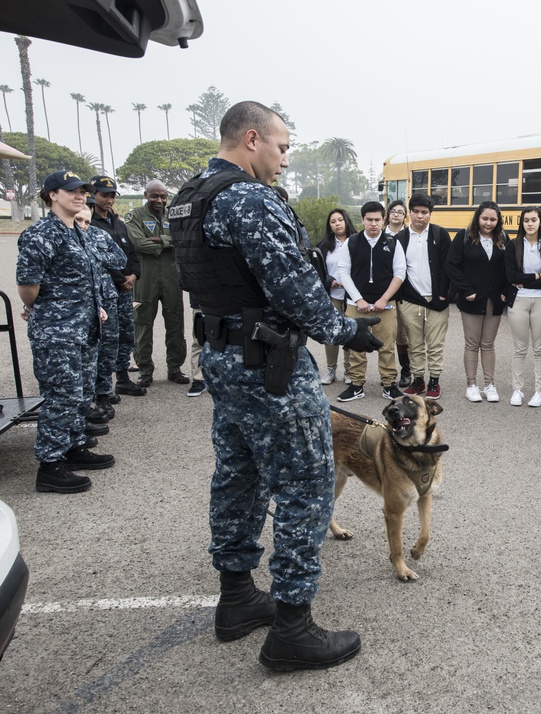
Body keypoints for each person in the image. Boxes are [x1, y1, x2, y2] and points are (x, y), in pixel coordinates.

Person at [169, 101, 381, 672]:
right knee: (307, 484)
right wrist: (347, 332)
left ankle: (237, 599)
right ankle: (292, 628)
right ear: (253, 138)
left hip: (222, 356)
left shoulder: (191, 196)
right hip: (267, 365)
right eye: (283, 147)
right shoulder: (249, 198)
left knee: (238, 473)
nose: (286, 159)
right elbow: (292, 289)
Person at [16, 171, 114, 494]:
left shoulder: (78, 233)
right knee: (63, 393)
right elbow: (28, 288)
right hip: (57, 332)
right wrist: (40, 308)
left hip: (83, 329)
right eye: (71, 190)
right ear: (52, 195)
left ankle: (72, 448)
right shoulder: (42, 234)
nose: (80, 195)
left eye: (82, 190)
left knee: (82, 392)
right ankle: (50, 465)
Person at [337, 201, 406, 402]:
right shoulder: (351, 242)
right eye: (369, 220)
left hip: (385, 306)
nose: (373, 224)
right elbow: (344, 272)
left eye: (377, 219)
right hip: (356, 305)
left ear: (383, 219)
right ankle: (356, 385)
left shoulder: (393, 242)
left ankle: (389, 385)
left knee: (386, 345)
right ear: (362, 220)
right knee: (356, 347)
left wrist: (384, 299)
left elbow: (400, 273)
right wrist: (358, 299)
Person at [125, 179, 188, 387]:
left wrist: (159, 240)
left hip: (171, 276)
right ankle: (145, 370)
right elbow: (137, 242)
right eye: (154, 196)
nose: (159, 200)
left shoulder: (174, 215)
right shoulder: (135, 216)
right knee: (142, 324)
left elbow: (182, 238)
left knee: (175, 323)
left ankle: (175, 368)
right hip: (145, 277)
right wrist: (167, 242)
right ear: (146, 195)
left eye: (163, 196)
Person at [446, 200, 508, 403]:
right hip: (471, 299)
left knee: (488, 344)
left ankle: (489, 385)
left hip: (494, 300)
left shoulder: (503, 238)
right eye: (484, 218)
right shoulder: (464, 237)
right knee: (472, 343)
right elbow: (452, 265)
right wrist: (466, 289)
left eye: (492, 219)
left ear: (498, 220)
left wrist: (506, 291)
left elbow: (509, 268)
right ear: (477, 218)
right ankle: (471, 385)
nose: (488, 223)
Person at [90, 175, 145, 398]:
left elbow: (131, 253)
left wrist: (133, 275)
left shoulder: (118, 223)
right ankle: (101, 387)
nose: (109, 199)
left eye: (112, 195)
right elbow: (99, 258)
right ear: (92, 195)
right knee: (107, 339)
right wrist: (120, 278)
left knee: (126, 335)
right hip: (107, 291)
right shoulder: (89, 224)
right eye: (104, 195)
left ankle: (122, 378)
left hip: (124, 290)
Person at [396, 194, 451, 400]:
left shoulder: (440, 234)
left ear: (430, 214)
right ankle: (418, 380)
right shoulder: (400, 239)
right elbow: (397, 271)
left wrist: (444, 294)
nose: (420, 216)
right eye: (416, 212)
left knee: (435, 343)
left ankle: (434, 381)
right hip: (410, 300)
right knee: (415, 343)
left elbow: (448, 267)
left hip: (437, 298)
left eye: (424, 212)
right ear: (409, 213)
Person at [77, 205, 127, 424]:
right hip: (78, 303)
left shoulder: (98, 236)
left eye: (87, 222)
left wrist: (93, 253)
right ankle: (82, 405)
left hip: (105, 297)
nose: (83, 226)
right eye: (79, 220)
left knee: (107, 348)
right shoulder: (63, 237)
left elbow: (120, 260)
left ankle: (104, 396)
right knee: (83, 355)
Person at [506, 206, 541, 407]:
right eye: (526, 220)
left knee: (539, 348)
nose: (530, 224)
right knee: (519, 348)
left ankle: (539, 391)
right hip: (519, 300)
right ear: (522, 222)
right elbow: (510, 276)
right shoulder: (513, 245)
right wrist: (536, 276)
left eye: (534, 220)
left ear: (540, 222)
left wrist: (524, 280)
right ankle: (517, 389)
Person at [318, 208, 356, 385]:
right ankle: (331, 369)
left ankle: (349, 369)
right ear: (329, 226)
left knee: (350, 333)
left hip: (352, 297)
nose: (337, 224)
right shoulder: (324, 246)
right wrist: (329, 280)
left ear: (346, 221)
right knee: (332, 333)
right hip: (332, 295)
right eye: (333, 221)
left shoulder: (357, 241)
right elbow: (317, 269)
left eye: (340, 220)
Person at [385, 199, 412, 387]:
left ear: (405, 216)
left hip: (405, 292)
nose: (396, 214)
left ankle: (406, 370)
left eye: (400, 212)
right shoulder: (378, 234)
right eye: (393, 211)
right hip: (383, 292)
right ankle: (387, 373)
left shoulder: (409, 235)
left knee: (402, 336)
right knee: (386, 335)